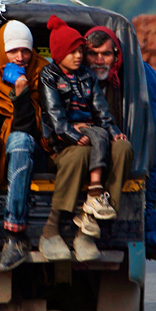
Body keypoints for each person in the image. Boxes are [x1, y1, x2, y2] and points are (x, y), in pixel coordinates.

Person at [39, 15, 132, 262]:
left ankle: (89, 225)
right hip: (62, 143)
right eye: (74, 52)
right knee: (80, 152)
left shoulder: (87, 76)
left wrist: (114, 132)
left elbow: (101, 111)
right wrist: (73, 133)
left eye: (81, 51)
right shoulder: (49, 75)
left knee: (123, 147)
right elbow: (54, 116)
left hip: (92, 136)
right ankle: (51, 228)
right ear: (59, 54)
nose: (80, 56)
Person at [0, 20, 49, 271]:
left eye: (26, 50)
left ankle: (15, 235)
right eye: (13, 50)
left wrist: (21, 91)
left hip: (32, 148)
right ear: (1, 51)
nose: (20, 57)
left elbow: (32, 128)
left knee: (18, 139)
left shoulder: (41, 72)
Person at [84, 26, 124, 122]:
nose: (99, 61)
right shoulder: (72, 84)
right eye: (93, 54)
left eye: (106, 54)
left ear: (115, 57)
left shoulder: (126, 85)